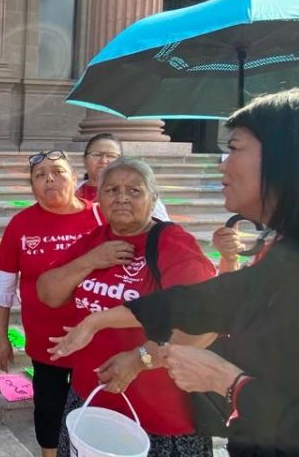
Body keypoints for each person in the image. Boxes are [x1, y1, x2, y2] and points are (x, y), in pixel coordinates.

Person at [49, 89, 299, 456]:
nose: (222, 165)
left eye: (234, 148)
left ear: (288, 160)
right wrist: (98, 322)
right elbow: (207, 301)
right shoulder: (293, 253)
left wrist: (227, 382)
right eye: (111, 190)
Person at [37, 158, 215, 456]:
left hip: (160, 413)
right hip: (90, 398)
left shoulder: (173, 245)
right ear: (99, 197)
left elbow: (204, 323)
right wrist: (91, 260)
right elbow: (48, 293)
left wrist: (140, 358)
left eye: (134, 190)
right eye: (112, 190)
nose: (121, 197)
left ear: (153, 198)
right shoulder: (95, 241)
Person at [0, 149, 104, 457]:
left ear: (74, 177)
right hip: (46, 341)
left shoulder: (100, 217)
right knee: (49, 409)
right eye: (40, 175)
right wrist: (0, 338)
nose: (49, 179)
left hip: (96, 340)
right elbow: (4, 288)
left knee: (92, 411)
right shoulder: (21, 224)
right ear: (32, 186)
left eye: (58, 171)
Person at [76, 133, 169, 221]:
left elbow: (162, 225)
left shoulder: (140, 193)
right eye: (96, 154)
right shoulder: (71, 191)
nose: (103, 160)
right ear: (84, 160)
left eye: (111, 156)